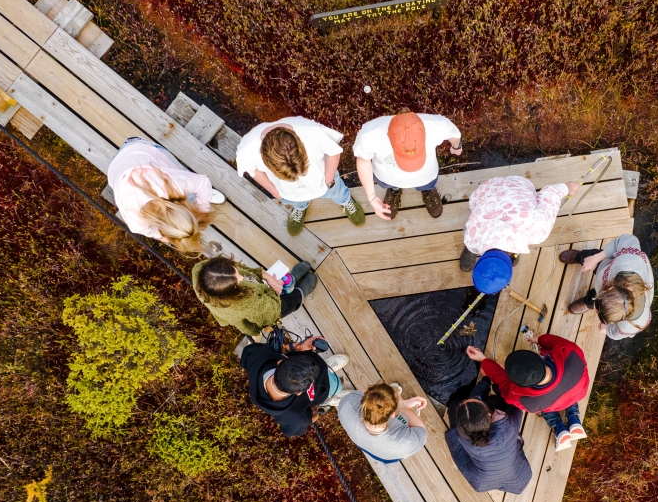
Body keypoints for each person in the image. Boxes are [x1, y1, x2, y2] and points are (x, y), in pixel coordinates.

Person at [236, 117, 365, 236]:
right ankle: (300, 207)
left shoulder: (312, 131)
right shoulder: (247, 150)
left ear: (300, 143)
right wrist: (275, 192)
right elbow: (253, 171)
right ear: (264, 158)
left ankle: (345, 201)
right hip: (288, 192)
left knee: (338, 192)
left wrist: (328, 180)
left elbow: (334, 152)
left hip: (324, 183)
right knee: (298, 202)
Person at [466, 331, 589, 451]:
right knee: (567, 392)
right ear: (538, 358)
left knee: (546, 410)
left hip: (550, 403)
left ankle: (559, 427)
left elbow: (502, 383)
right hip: (577, 391)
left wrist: (484, 360)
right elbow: (556, 341)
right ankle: (573, 418)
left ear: (520, 383)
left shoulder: (526, 401)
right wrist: (541, 340)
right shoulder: (571, 352)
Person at [107, 137, 225, 253]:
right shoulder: (135, 221)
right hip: (116, 168)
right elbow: (152, 233)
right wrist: (162, 236)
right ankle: (200, 195)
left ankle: (199, 195)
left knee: (183, 176)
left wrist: (203, 209)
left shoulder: (174, 185)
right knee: (184, 180)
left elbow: (203, 182)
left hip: (140, 147)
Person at [353, 111, 462, 221]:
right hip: (388, 178)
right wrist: (371, 197)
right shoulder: (370, 134)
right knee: (391, 185)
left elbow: (454, 135)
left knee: (427, 184)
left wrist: (457, 146)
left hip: (425, 177)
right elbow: (363, 159)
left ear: (425, 131)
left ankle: (427, 190)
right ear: (387, 135)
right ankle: (395, 189)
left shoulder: (437, 125)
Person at [237, 334, 349, 438]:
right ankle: (331, 395)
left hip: (315, 387)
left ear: (280, 362)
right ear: (299, 392)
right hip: (324, 388)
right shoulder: (295, 415)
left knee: (324, 372)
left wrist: (295, 348)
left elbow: (248, 353)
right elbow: (300, 425)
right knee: (336, 387)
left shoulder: (258, 357)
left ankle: (328, 371)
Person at [459, 176, 580, 271]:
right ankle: (474, 249)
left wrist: (567, 188)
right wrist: (567, 188)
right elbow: (550, 194)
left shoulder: (538, 230)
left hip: (502, 188)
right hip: (497, 188)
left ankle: (473, 249)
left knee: (470, 235)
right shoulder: (472, 236)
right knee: (469, 234)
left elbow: (551, 193)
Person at [445, 378, 532, 494]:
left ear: (462, 427)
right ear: (488, 414)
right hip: (518, 477)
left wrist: (484, 383)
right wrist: (495, 384)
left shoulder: (463, 438)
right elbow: (515, 405)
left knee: (454, 404)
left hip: (482, 481)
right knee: (495, 401)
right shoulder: (508, 426)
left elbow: (457, 446)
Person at [192, 257, 318, 337]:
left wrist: (266, 277)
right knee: (286, 304)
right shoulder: (247, 304)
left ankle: (289, 281)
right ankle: (299, 293)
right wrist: (274, 290)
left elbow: (243, 271)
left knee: (283, 282)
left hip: (257, 296)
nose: (242, 277)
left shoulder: (199, 271)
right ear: (230, 292)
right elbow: (272, 311)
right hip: (265, 311)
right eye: (238, 281)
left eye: (233, 269)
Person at [560, 233, 654, 339]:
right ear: (610, 288)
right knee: (589, 257)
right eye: (597, 307)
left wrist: (608, 330)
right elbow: (626, 240)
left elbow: (618, 333)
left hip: (606, 288)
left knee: (594, 298)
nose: (596, 312)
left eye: (596, 311)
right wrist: (595, 258)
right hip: (608, 265)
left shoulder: (633, 325)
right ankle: (579, 257)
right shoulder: (628, 261)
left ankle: (588, 302)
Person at [337, 382, 428, 463]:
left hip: (367, 446)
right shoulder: (405, 442)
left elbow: (365, 392)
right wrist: (402, 405)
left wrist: (398, 403)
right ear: (393, 414)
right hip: (388, 455)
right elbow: (421, 430)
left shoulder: (347, 403)